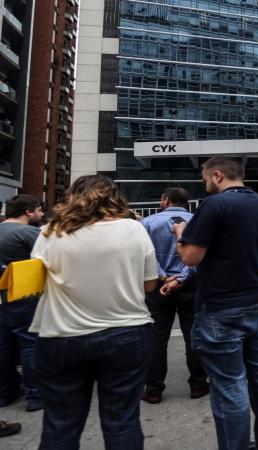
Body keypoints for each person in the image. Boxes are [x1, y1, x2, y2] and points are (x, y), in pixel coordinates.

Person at [30, 175, 158, 449]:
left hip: (61, 335)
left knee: (60, 425)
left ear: (73, 195)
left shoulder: (52, 230)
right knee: (122, 421)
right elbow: (149, 284)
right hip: (127, 332)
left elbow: (35, 282)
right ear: (115, 197)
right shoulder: (133, 229)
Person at [174, 157, 258, 450]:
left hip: (222, 305)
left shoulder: (214, 205)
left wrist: (180, 235)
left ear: (218, 175)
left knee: (229, 383)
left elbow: (190, 257)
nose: (204, 183)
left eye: (204, 178)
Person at [139, 187, 208, 404]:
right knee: (193, 335)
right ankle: (198, 385)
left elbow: (143, 254)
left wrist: (162, 276)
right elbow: (201, 255)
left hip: (158, 287)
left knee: (157, 338)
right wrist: (182, 277)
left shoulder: (147, 223)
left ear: (164, 200)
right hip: (190, 285)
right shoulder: (198, 221)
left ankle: (153, 389)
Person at [0, 195, 44, 412]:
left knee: (3, 344)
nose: (42, 214)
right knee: (30, 343)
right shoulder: (30, 233)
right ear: (28, 212)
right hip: (23, 295)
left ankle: (5, 392)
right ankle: (36, 395)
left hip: (1, 296)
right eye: (39, 210)